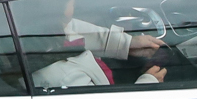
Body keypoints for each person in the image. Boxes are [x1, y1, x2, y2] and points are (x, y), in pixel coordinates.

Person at [30, 10, 178, 91]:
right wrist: (148, 84)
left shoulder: (43, 33)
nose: (70, 14)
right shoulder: (65, 79)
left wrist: (127, 44)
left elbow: (73, 29)